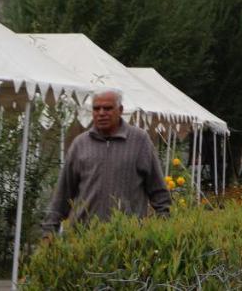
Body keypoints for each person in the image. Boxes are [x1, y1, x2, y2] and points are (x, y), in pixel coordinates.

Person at [42, 88, 171, 235]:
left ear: (120, 110)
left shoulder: (139, 141)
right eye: (97, 108)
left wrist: (162, 229)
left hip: (127, 239)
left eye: (108, 108)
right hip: (83, 238)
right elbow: (62, 193)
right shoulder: (80, 144)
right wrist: (49, 231)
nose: (101, 113)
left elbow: (159, 193)